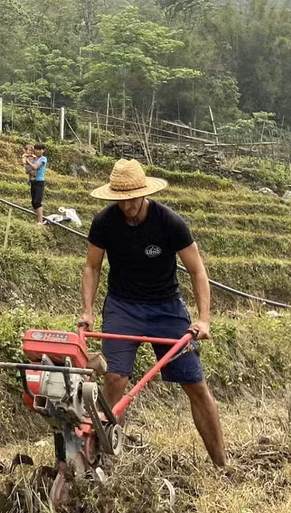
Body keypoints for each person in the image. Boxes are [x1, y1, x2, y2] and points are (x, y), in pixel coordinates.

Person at [79, 158, 227, 467]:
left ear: (144, 193)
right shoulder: (104, 222)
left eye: (132, 198)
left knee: (195, 385)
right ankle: (102, 459)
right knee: (115, 378)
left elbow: (198, 271)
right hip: (122, 306)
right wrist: (88, 311)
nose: (127, 205)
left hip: (166, 309)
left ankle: (222, 465)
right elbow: (92, 267)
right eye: (121, 200)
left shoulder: (169, 223)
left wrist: (203, 319)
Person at [24, 142, 47, 224]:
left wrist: (28, 161)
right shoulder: (34, 159)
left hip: (40, 182)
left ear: (43, 151)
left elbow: (35, 167)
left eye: (40, 150)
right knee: (33, 202)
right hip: (33, 181)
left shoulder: (43, 159)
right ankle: (37, 219)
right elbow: (28, 171)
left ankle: (40, 222)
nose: (38, 151)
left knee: (37, 202)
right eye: (36, 149)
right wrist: (27, 163)